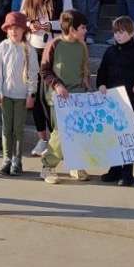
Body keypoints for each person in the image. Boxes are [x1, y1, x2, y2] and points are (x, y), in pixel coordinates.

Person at [95, 15, 134, 186]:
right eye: (116, 32)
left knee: (126, 134)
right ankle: (114, 169)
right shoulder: (110, 52)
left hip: (129, 98)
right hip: (111, 98)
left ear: (132, 33)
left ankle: (127, 172)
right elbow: (102, 71)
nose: (118, 36)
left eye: (122, 32)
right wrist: (101, 84)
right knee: (112, 134)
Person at [38, 10, 93, 184]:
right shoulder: (54, 44)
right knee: (61, 133)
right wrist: (57, 85)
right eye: (83, 27)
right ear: (72, 28)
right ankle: (47, 166)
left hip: (79, 96)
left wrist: (88, 90)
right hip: (59, 97)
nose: (85, 31)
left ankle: (75, 164)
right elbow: (45, 70)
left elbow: (84, 71)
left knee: (78, 132)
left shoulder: (82, 46)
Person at [0, 12, 39, 176]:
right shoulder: (3, 47)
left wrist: (30, 94)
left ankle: (17, 161)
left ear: (23, 30)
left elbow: (33, 73)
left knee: (18, 129)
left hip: (21, 96)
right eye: (11, 28)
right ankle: (6, 159)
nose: (14, 31)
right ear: (7, 30)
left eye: (18, 28)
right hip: (6, 94)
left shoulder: (29, 49)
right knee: (6, 128)